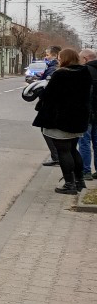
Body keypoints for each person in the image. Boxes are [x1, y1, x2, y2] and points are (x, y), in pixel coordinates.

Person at [32, 48, 91, 194]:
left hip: (61, 119)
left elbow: (48, 95)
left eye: (59, 58)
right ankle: (79, 181)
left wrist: (40, 91)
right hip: (79, 118)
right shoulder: (85, 72)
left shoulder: (61, 74)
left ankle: (69, 184)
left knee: (63, 151)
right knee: (73, 150)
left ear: (64, 59)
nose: (58, 60)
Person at [38, 45, 63, 167]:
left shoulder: (53, 68)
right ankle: (58, 156)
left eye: (47, 55)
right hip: (53, 105)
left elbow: (48, 87)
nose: (45, 57)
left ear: (55, 55)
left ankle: (57, 157)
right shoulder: (53, 67)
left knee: (47, 130)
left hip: (51, 105)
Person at [78, 49, 97, 181]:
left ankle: (86, 171)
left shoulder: (84, 71)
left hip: (87, 113)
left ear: (85, 58)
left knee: (84, 142)